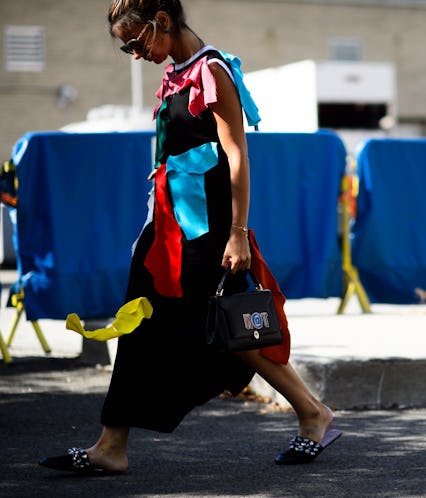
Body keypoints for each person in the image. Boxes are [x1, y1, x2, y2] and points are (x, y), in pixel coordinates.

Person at [39, 0, 340, 474]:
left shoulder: (212, 70)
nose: (136, 55)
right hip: (169, 229)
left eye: (137, 43)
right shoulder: (178, 73)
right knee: (144, 328)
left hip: (210, 232)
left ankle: (312, 412)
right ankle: (111, 444)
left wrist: (238, 233)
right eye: (127, 50)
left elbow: (237, 155)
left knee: (234, 327)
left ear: (161, 22)